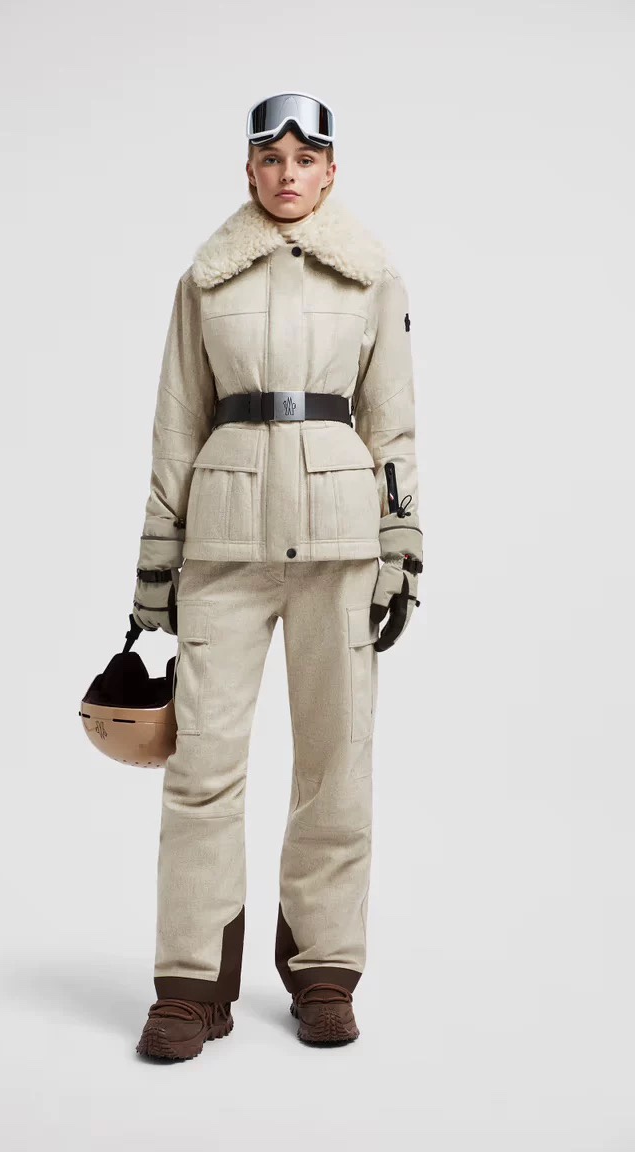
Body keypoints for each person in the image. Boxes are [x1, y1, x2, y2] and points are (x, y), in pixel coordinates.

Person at [131, 91, 424, 1061]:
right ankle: (190, 989)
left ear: (332, 171)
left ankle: (325, 973)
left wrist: (401, 552)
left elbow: (393, 425)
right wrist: (156, 567)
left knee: (337, 764)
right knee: (201, 766)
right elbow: (177, 423)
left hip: (340, 544)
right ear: (249, 169)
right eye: (272, 158)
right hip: (223, 543)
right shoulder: (204, 280)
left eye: (306, 159)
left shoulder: (372, 276)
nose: (288, 174)